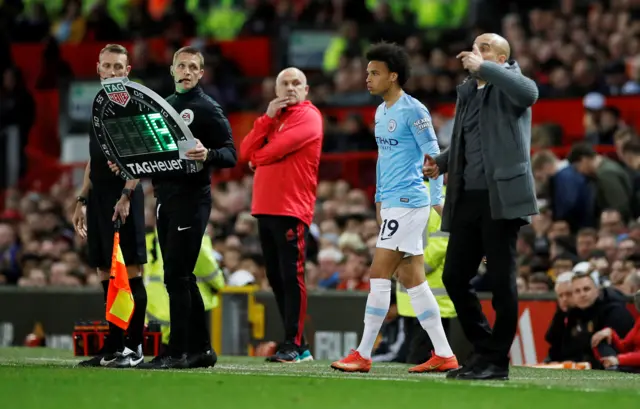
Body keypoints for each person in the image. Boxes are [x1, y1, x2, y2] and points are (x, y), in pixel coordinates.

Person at [331, 42, 458, 373]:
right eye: (367, 72)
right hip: (391, 202)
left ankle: (362, 353)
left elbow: (434, 158)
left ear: (394, 76)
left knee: (378, 273)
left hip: (410, 202)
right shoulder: (380, 111)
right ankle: (444, 353)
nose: (367, 79)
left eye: (374, 73)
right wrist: (378, 199)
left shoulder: (413, 110)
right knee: (412, 278)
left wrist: (438, 202)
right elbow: (384, 159)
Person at [110, 46, 236, 369]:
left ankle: (175, 351)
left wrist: (207, 154)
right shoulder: (164, 107)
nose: (187, 71)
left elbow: (231, 154)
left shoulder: (207, 108)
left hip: (192, 200)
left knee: (176, 277)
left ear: (201, 73)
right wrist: (128, 166)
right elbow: (154, 156)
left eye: (194, 67)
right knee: (182, 277)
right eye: (182, 65)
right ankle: (202, 350)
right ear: (172, 69)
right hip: (164, 198)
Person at [423, 33, 539, 380]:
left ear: (502, 58)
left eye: (484, 48)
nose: (475, 52)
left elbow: (529, 93)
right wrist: (441, 164)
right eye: (475, 47)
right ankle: (486, 350)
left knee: (502, 281)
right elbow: (469, 139)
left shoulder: (510, 86)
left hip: (500, 196)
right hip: (467, 196)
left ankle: (494, 361)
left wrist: (484, 67)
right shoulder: (469, 91)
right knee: (454, 277)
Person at [239, 67, 322, 363]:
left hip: (291, 207)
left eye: (296, 83)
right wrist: (266, 119)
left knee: (291, 276)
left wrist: (256, 159)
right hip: (265, 207)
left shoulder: (309, 116)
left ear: (306, 89)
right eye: (284, 83)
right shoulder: (272, 119)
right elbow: (244, 149)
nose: (290, 88)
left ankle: (294, 343)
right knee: (275, 277)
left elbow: (272, 150)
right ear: (275, 90)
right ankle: (299, 344)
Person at [73, 44, 148, 368]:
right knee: (106, 270)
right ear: (99, 68)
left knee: (129, 270)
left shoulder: (133, 106)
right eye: (108, 66)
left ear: (127, 71)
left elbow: (141, 155)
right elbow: (94, 157)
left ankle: (134, 347)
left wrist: (127, 195)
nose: (113, 72)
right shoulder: (98, 105)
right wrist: (82, 197)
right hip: (100, 195)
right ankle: (114, 345)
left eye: (119, 67)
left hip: (124, 195)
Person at [396, 180, 457, 369]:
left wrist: (407, 269)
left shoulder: (409, 195)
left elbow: (442, 242)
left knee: (420, 359)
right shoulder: (439, 196)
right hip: (420, 293)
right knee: (420, 361)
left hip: (424, 293)